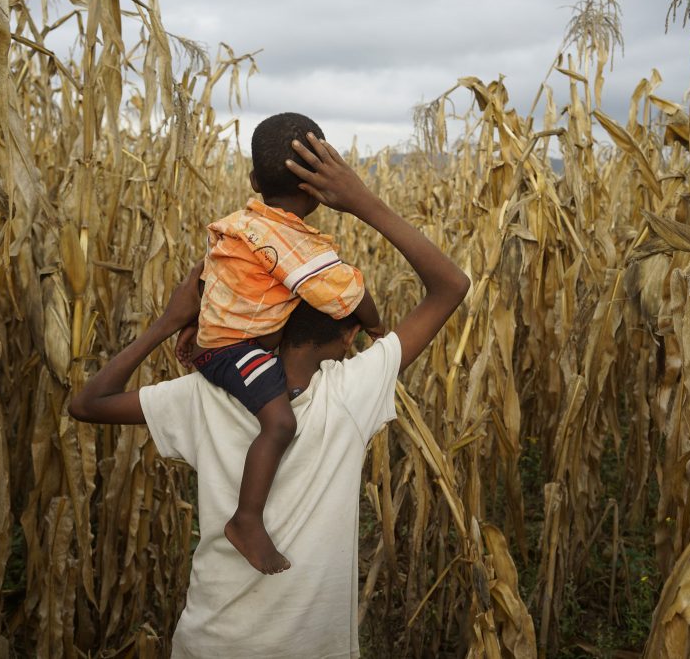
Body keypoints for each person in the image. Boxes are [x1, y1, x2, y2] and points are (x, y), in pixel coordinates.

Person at [69, 133, 470, 658]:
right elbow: (450, 286)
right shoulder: (352, 392)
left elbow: (87, 404)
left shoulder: (204, 395)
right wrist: (361, 201)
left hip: (211, 643)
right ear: (348, 335)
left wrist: (166, 325)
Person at [180, 112, 383, 575]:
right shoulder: (293, 244)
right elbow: (345, 291)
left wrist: (192, 327)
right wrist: (376, 327)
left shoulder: (239, 225)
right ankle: (246, 520)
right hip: (236, 352)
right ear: (316, 188)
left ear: (253, 180)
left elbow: (212, 282)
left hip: (215, 343)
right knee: (280, 424)